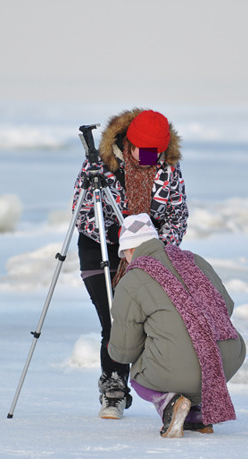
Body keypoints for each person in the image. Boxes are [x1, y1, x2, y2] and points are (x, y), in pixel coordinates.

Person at [72, 109, 188, 419]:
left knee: (151, 323)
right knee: (114, 322)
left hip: (148, 254)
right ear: (128, 143)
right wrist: (120, 236)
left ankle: (166, 396)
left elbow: (177, 217)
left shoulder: (169, 171)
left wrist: (156, 248)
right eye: (146, 151)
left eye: (158, 152)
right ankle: (114, 390)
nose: (152, 158)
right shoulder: (100, 166)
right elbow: (81, 214)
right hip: (101, 248)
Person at [108, 214, 246, 438]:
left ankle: (170, 403)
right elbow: (226, 307)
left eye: (124, 255)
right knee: (182, 348)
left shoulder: (133, 279)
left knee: (139, 370)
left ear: (130, 250)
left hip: (182, 369)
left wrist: (113, 350)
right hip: (227, 360)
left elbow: (125, 351)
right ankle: (196, 415)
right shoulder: (194, 260)